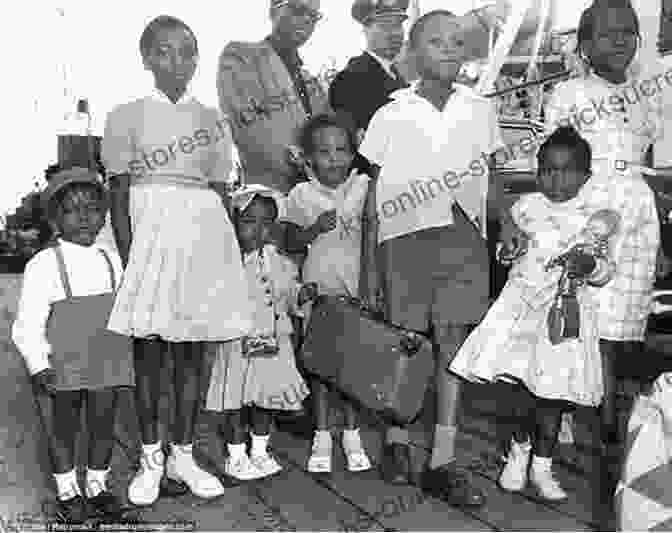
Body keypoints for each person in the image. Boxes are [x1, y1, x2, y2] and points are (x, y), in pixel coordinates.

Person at [357, 9, 526, 505]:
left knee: (454, 343)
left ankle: (444, 458)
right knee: (407, 341)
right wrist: (370, 265)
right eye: (436, 41)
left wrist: (508, 221)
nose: (450, 49)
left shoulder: (480, 109)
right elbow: (372, 197)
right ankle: (395, 438)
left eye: (457, 41)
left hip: (463, 237)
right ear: (413, 51)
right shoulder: (391, 112)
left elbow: (491, 176)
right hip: (403, 238)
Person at [103, 15, 253, 506]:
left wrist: (226, 259)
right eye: (164, 52)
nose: (177, 61)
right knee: (149, 352)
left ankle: (182, 453)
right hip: (148, 235)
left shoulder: (212, 118)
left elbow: (220, 191)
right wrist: (129, 258)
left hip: (201, 236)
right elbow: (120, 190)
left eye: (187, 52)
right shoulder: (126, 114)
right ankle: (149, 457)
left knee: (191, 354)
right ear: (146, 59)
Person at [451, 126, 620, 501]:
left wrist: (587, 265)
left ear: (586, 176)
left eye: (567, 170)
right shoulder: (524, 208)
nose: (555, 178)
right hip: (523, 313)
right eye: (547, 169)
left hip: (565, 320)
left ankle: (543, 465)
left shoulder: (596, 217)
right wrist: (507, 251)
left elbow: (607, 270)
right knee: (522, 393)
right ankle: (518, 451)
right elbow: (507, 251)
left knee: (553, 396)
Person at [544, 0, 663, 514]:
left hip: (637, 218)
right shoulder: (569, 93)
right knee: (580, 327)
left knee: (621, 335)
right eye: (608, 34)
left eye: (630, 33)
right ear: (586, 46)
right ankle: (552, 427)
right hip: (590, 211)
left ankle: (613, 442)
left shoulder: (648, 96)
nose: (621, 41)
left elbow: (647, 161)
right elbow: (554, 162)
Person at [12, 168, 134, 523]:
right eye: (71, 210)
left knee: (103, 424)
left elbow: (126, 307)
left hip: (107, 359)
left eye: (93, 208)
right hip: (63, 363)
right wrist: (38, 364)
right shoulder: (44, 264)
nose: (83, 217)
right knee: (62, 429)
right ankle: (68, 490)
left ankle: (97, 485)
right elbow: (27, 324)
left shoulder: (111, 258)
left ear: (104, 215)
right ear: (54, 219)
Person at [282, 112, 373, 473]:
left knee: (352, 370)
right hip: (318, 294)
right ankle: (321, 434)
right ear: (308, 159)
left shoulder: (366, 186)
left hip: (356, 293)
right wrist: (312, 230)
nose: (333, 158)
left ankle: (352, 434)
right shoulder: (300, 195)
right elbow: (288, 238)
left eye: (341, 150)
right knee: (320, 368)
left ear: (354, 154)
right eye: (323, 152)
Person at [205, 186, 313, 480]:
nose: (259, 230)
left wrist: (299, 295)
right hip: (238, 342)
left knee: (264, 399)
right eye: (250, 222)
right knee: (237, 400)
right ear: (234, 223)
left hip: (269, 339)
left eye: (267, 223)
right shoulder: (226, 261)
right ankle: (236, 454)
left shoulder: (275, 257)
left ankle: (260, 450)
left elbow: (287, 289)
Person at [217, 0, 330, 194]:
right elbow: (248, 128)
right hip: (267, 201)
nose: (306, 20)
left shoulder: (313, 83)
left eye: (313, 16)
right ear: (273, 11)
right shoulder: (241, 57)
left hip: (316, 201)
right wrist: (308, 172)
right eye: (298, 9)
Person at [329, 0, 409, 133]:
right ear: (366, 30)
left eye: (397, 25)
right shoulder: (351, 79)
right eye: (385, 26)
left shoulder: (397, 76)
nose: (394, 33)